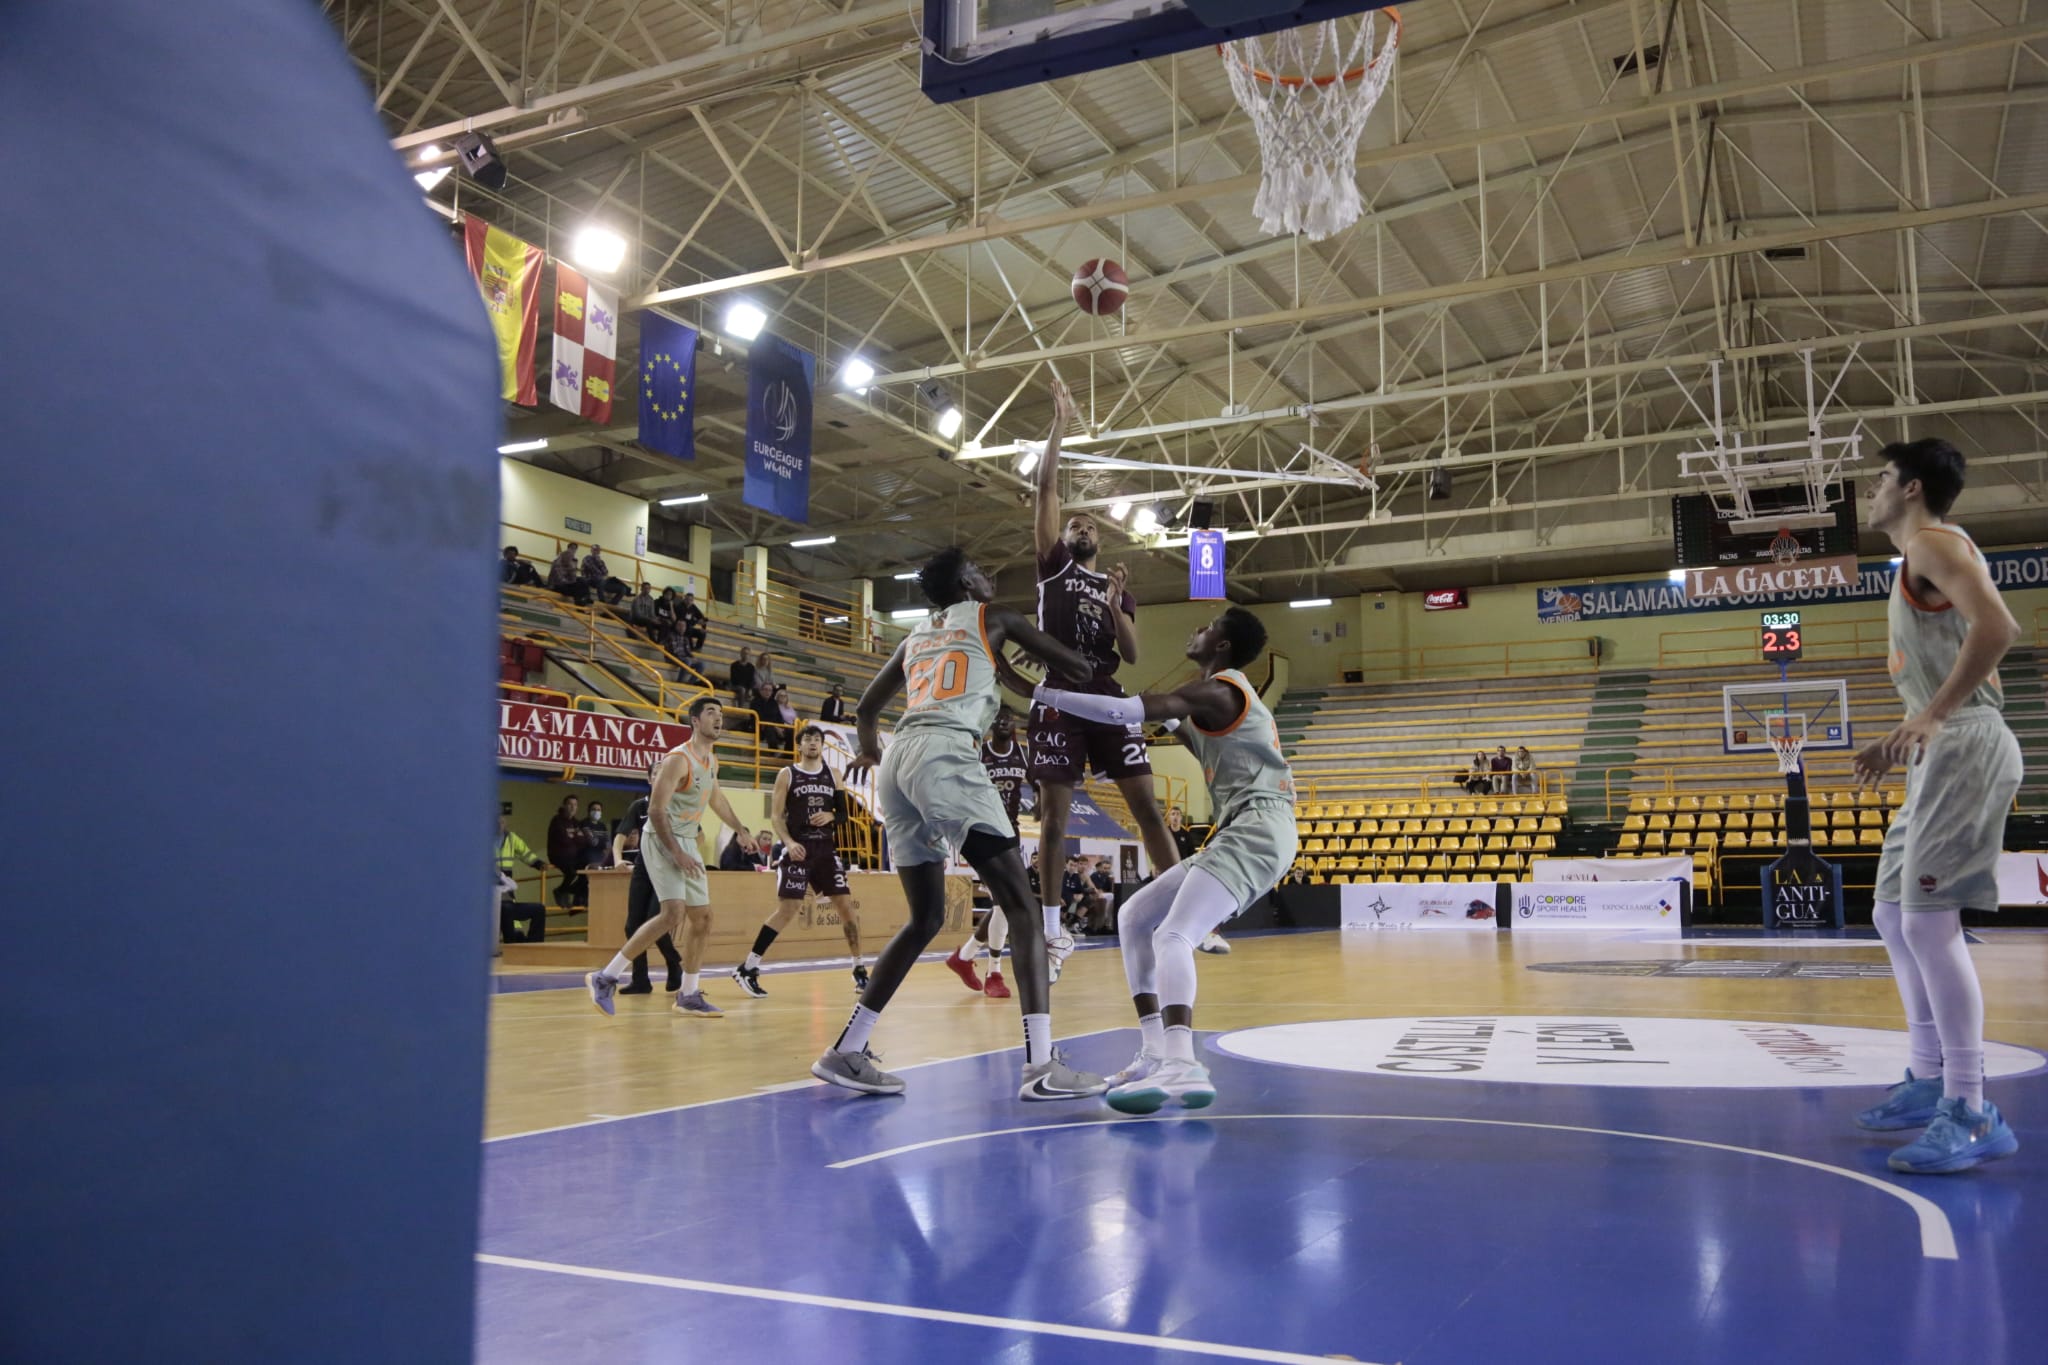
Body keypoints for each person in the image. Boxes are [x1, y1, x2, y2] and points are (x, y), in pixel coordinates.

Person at [810, 546, 1107, 1101]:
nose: (989, 576)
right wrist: (1093, 622)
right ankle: (1041, 1064)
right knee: (1021, 907)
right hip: (947, 752)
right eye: (981, 570)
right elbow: (1081, 667)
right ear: (968, 583)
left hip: (899, 762)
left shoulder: (916, 637)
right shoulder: (997, 617)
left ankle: (848, 1049)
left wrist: (871, 754)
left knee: (923, 919)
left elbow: (867, 711)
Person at [1026, 605, 1295, 1114]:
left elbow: (1128, 712)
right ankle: (1154, 1051)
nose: (1197, 630)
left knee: (1173, 935)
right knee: (1135, 915)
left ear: (1221, 645)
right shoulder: (1219, 702)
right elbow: (1186, 730)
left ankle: (1182, 1061)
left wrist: (1045, 694)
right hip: (1247, 830)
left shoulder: (1221, 688)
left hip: (1258, 828)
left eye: (1208, 626)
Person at [1852, 437, 2024, 1174]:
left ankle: (1971, 1106)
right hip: (1937, 752)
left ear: (1912, 487)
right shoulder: (1915, 557)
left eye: (1882, 478)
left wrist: (1935, 715)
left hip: (1966, 743)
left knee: (1928, 921)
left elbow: (2000, 627)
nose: (1872, 490)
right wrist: (1911, 729)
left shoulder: (1932, 542)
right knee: (1890, 912)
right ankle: (1928, 1078)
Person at [1027, 378, 1179, 982]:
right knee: (1055, 817)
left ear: (1102, 540)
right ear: (1064, 538)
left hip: (1110, 698)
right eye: (1076, 522)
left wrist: (1118, 607)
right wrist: (1061, 424)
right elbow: (1046, 487)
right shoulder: (1052, 566)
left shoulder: (1117, 589)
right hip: (1062, 696)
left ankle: (1181, 916)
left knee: (1149, 810)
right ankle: (1050, 931)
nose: (1083, 525)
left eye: (1091, 524)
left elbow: (1135, 654)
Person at [585, 698, 758, 1019]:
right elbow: (655, 810)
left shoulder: (711, 761)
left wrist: (740, 830)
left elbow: (716, 798)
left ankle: (689, 994)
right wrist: (676, 851)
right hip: (661, 839)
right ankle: (605, 977)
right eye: (711, 714)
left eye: (721, 715)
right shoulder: (678, 760)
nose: (718, 720)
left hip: (687, 840)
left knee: (703, 919)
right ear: (695, 721)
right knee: (672, 913)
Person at [732, 725, 867, 998]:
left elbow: (842, 814)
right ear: (800, 745)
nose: (813, 743)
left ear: (822, 745)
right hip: (799, 848)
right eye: (808, 739)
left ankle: (859, 969)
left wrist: (831, 816)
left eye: (817, 739)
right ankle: (748, 967)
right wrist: (790, 843)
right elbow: (776, 817)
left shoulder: (834, 775)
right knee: (789, 908)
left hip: (826, 850)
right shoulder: (788, 774)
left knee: (846, 907)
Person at [942, 704, 1027, 999]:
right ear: (990, 723)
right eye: (999, 717)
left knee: (1005, 902)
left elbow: (1037, 785)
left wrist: (1042, 799)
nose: (1004, 721)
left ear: (1015, 724)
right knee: (1005, 902)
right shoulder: (979, 752)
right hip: (982, 830)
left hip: (1010, 832)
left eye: (1009, 717)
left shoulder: (1023, 753)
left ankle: (964, 958)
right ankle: (994, 972)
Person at [612, 765, 682, 994]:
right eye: (655, 775)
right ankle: (640, 979)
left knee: (658, 920)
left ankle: (674, 962)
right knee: (632, 925)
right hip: (644, 865)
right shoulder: (639, 806)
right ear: (650, 780)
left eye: (664, 774)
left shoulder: (677, 804)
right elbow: (621, 835)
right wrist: (617, 859)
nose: (660, 778)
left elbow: (699, 835)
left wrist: (680, 854)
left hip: (668, 866)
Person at [495, 810, 548, 944]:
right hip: (491, 889)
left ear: (505, 823)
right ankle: (513, 941)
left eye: (501, 822)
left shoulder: (512, 838)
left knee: (538, 909)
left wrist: (538, 863)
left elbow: (525, 853)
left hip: (506, 886)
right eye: (496, 822)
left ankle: (533, 947)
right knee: (506, 910)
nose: (499, 825)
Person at [546, 795, 585, 909]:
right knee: (571, 872)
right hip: (558, 855)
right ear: (564, 806)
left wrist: (573, 837)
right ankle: (561, 891)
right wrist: (575, 837)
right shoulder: (557, 820)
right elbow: (564, 840)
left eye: (575, 805)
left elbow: (583, 840)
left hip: (573, 856)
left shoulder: (576, 822)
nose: (573, 807)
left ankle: (569, 892)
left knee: (587, 870)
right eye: (570, 804)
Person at [728, 648, 757, 724]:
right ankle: (741, 708)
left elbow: (751, 680)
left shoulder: (751, 667)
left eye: (747, 654)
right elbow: (734, 679)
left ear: (750, 655)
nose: (746, 655)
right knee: (742, 690)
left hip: (746, 687)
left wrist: (750, 689)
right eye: (744, 653)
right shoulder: (734, 665)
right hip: (735, 685)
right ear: (741, 654)